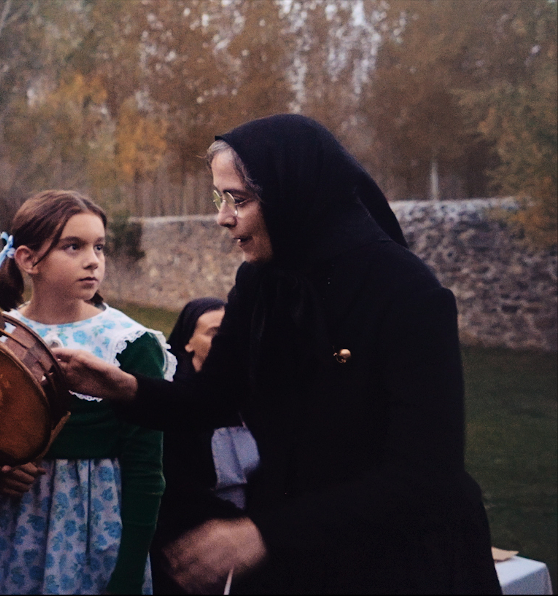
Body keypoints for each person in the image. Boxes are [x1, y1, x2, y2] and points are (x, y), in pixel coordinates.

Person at [51, 114, 501, 593]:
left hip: (402, 561)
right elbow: (214, 397)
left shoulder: (407, 295)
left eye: (238, 199)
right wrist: (122, 387)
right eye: (219, 197)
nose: (223, 216)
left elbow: (423, 475)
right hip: (303, 552)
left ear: (295, 194)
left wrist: (263, 534)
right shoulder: (263, 282)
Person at [0, 190, 172, 595]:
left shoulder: (129, 343)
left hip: (97, 532)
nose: (93, 260)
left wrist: (128, 575)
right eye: (73, 246)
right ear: (27, 259)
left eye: (99, 247)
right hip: (12, 529)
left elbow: (146, 469)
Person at [150, 297, 260, 594]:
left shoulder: (254, 400)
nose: (225, 343)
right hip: (191, 546)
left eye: (230, 335)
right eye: (214, 333)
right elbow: (175, 486)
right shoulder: (172, 401)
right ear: (188, 343)